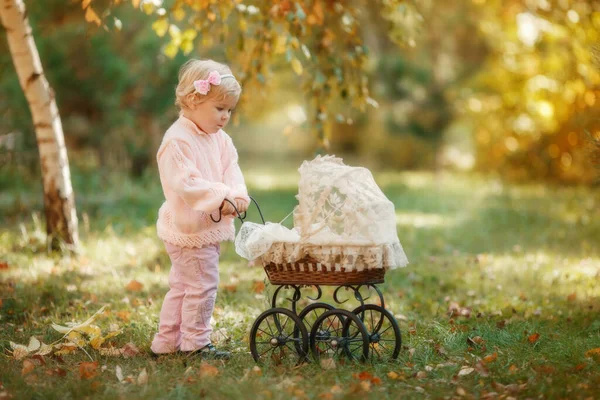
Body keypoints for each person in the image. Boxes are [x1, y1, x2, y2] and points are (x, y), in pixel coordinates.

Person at [150, 59, 249, 359]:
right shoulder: (177, 141)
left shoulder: (220, 139)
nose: (225, 117)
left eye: (229, 110)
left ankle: (166, 343)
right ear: (194, 99)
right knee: (203, 285)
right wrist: (222, 197)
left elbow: (231, 168)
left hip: (204, 227)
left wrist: (237, 194)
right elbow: (188, 183)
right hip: (188, 228)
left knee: (182, 286)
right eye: (219, 109)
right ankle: (195, 344)